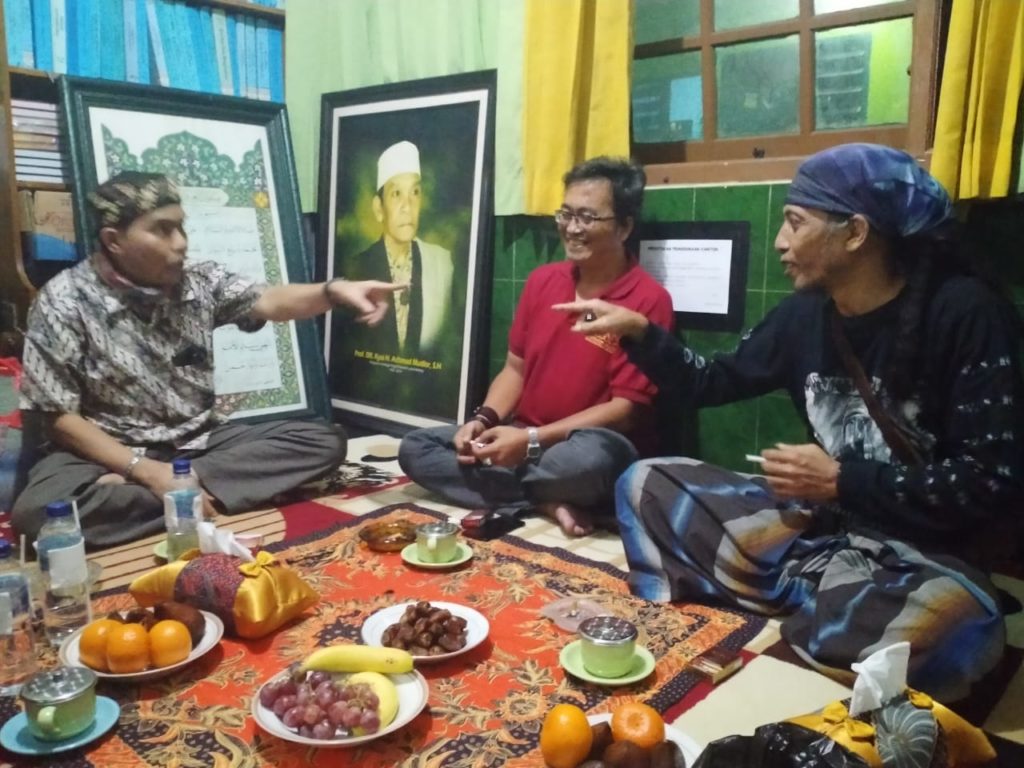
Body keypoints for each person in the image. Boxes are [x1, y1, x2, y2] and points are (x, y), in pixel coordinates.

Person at [555, 143, 1024, 701]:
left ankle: (810, 597)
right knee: (645, 482)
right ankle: (828, 603)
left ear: (855, 232)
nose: (780, 241)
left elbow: (988, 481)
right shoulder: (805, 313)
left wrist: (842, 480)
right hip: (819, 532)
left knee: (958, 626)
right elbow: (710, 381)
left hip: (920, 554)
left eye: (795, 222)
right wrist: (637, 333)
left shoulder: (966, 313)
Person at [13, 171, 404, 548]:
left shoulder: (198, 282)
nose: (181, 243)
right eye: (163, 230)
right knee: (39, 515)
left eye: (181, 227)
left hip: (197, 445)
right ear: (113, 241)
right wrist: (143, 471)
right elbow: (57, 418)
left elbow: (269, 300)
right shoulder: (63, 302)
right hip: (108, 454)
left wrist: (333, 291)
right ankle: (192, 496)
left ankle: (167, 496)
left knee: (324, 441)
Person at [399, 157, 674, 536]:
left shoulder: (648, 300)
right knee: (416, 448)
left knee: (590, 463)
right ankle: (544, 499)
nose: (572, 228)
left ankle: (520, 489)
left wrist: (529, 442)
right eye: (566, 214)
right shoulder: (542, 281)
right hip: (522, 434)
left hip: (585, 448)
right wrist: (484, 421)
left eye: (587, 218)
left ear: (624, 227)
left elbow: (625, 411)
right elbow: (515, 369)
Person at [340, 140, 455, 358]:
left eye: (415, 192)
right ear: (379, 208)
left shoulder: (441, 264)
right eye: (396, 194)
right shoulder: (356, 268)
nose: (407, 207)